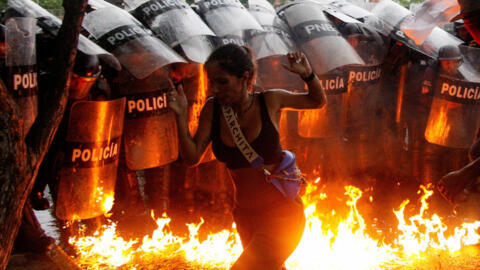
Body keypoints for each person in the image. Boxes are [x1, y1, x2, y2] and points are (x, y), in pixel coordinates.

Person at [168, 44, 327, 269]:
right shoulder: (212, 109)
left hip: (282, 216)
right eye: (212, 81)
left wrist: (308, 75)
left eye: (222, 81)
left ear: (244, 78)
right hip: (245, 216)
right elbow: (192, 157)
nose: (214, 89)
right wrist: (180, 116)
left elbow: (316, 101)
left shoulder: (270, 101)